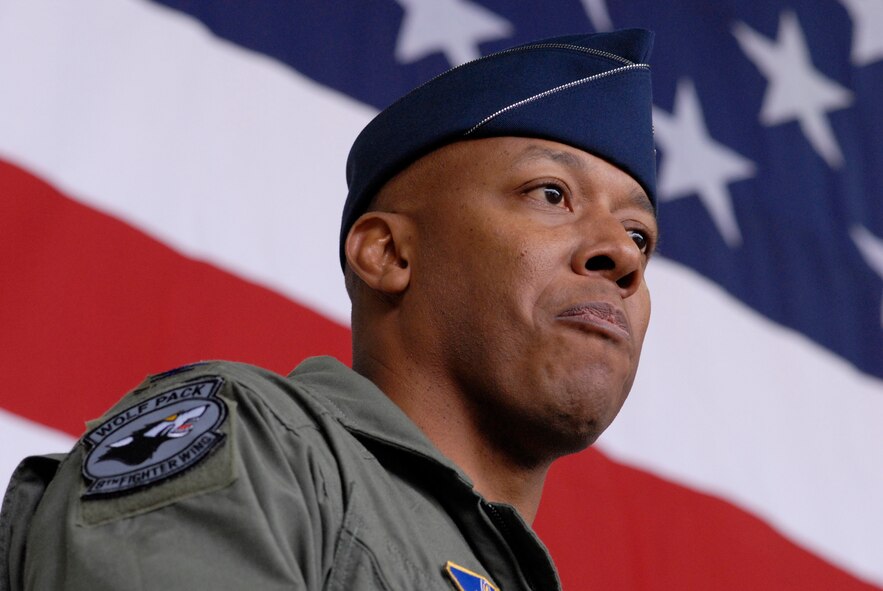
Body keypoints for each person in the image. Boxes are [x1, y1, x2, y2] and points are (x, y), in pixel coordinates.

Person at [0, 28, 658, 591]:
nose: (620, 256)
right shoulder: (261, 452)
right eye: (550, 193)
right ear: (387, 253)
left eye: (638, 235)